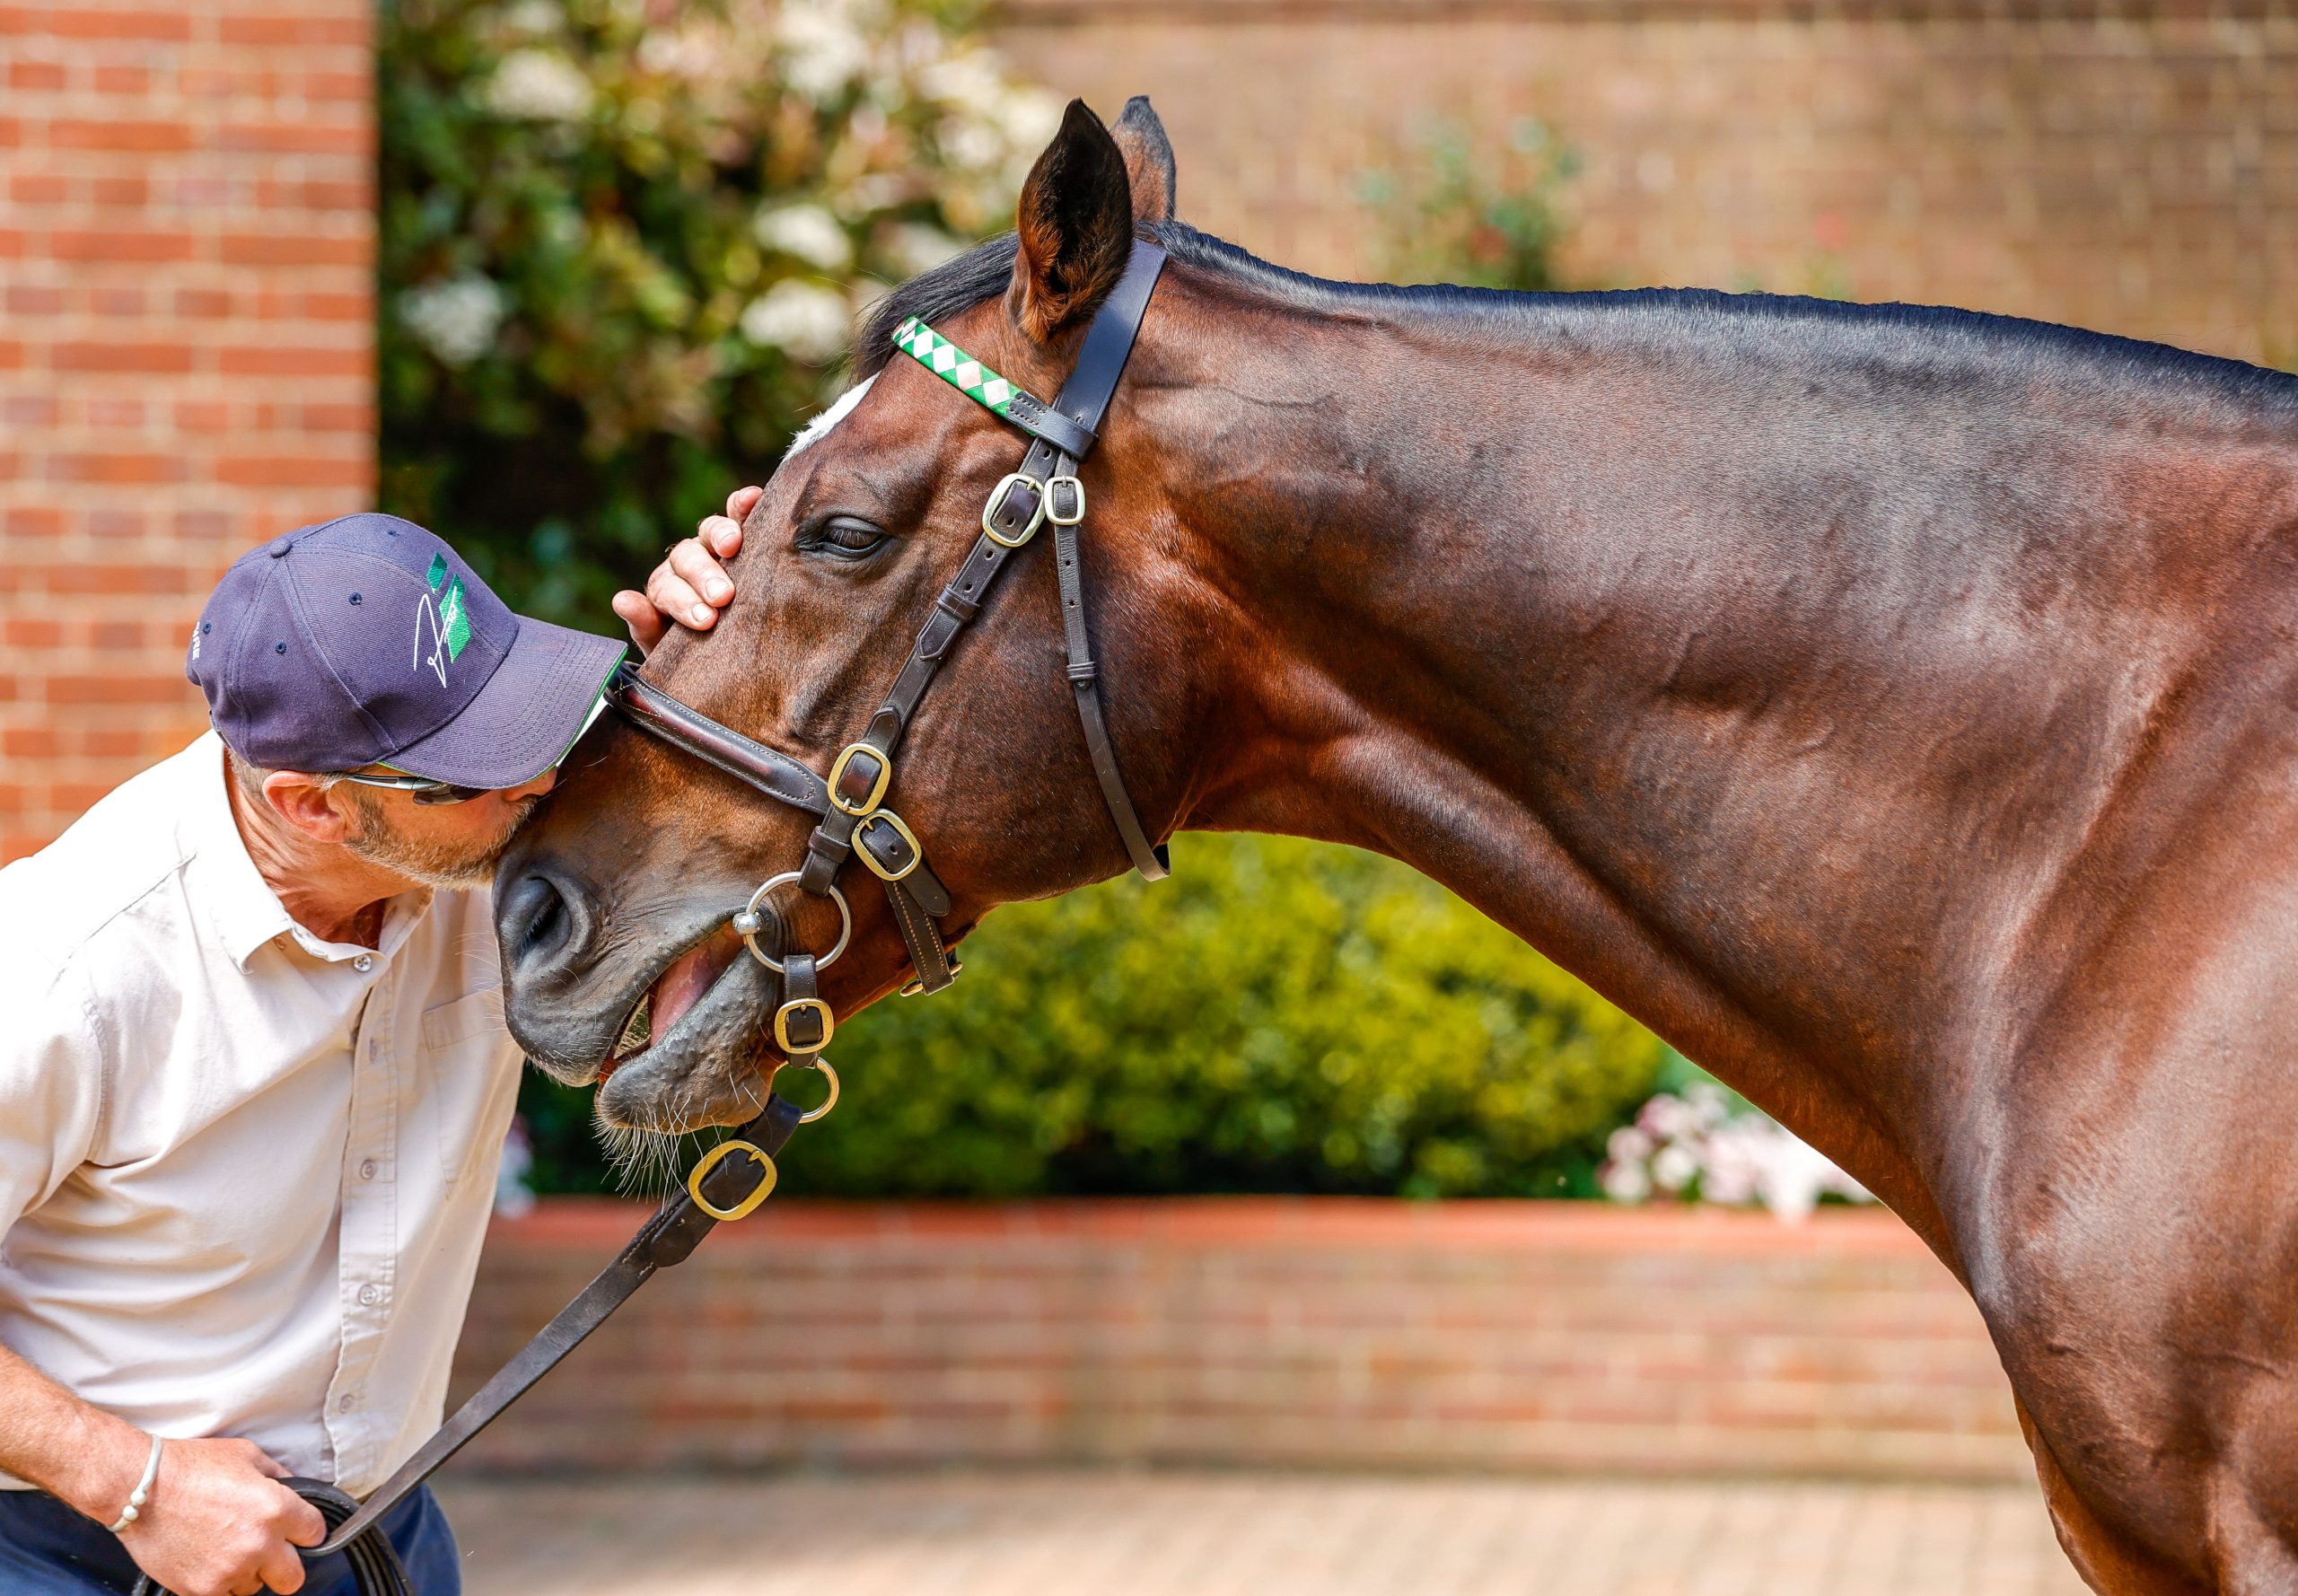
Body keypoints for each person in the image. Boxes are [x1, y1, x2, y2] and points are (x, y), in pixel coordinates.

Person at [0, 491, 757, 1596]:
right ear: (314, 806)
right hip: (85, 1546)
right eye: (482, 760)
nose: (540, 778)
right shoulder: (68, 964)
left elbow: (711, 979)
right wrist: (138, 1481)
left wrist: (731, 644)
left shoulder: (484, 844)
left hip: (387, 1537)